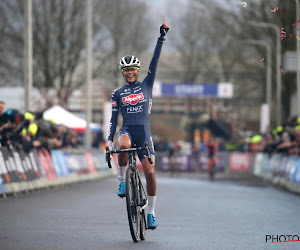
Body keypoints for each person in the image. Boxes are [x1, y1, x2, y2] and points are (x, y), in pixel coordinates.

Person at [107, 19, 169, 230]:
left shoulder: (147, 85)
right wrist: (108, 140)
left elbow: (155, 61)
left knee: (150, 173)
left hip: (144, 133)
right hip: (127, 130)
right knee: (123, 146)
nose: (130, 72)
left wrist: (160, 38)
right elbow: (114, 118)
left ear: (137, 70)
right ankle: (122, 180)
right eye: (126, 70)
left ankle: (151, 212)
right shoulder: (118, 93)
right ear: (122, 73)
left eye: (133, 68)